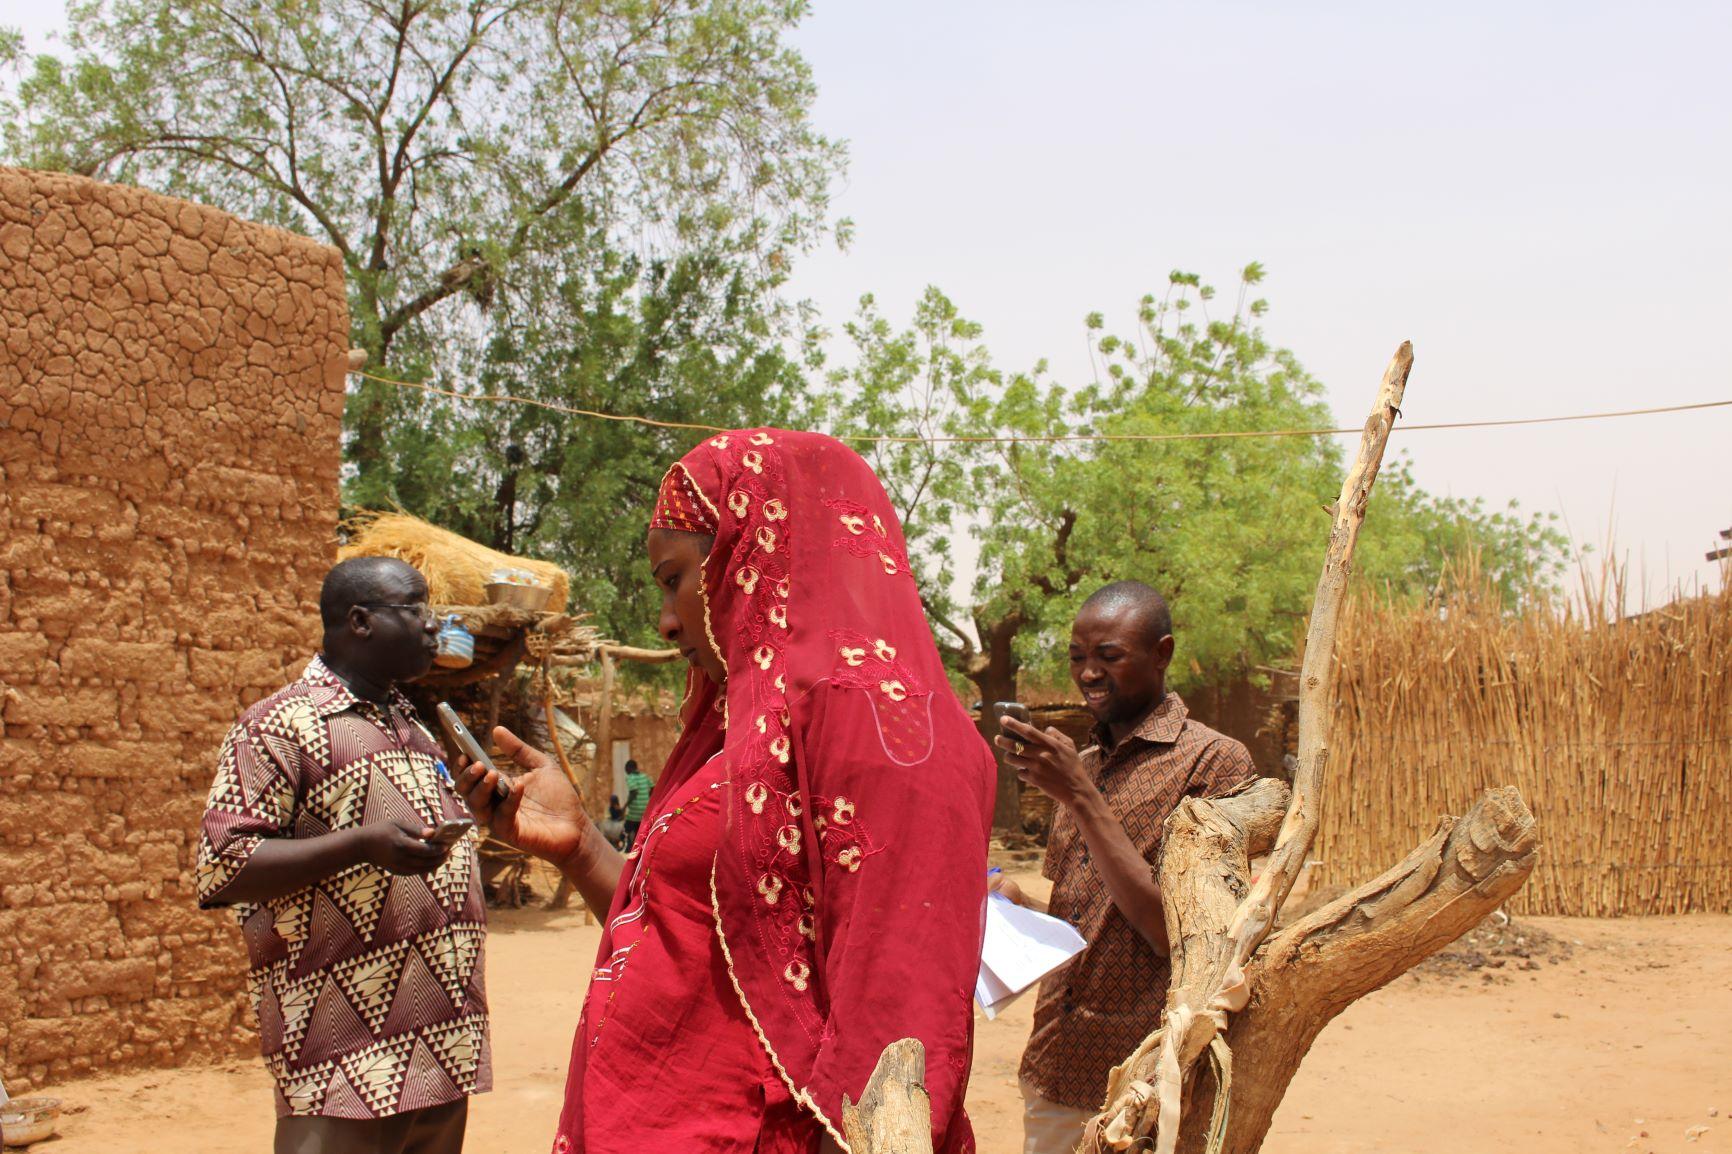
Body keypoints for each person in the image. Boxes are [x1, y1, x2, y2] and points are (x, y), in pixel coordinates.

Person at [455, 429, 996, 1153]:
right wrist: (582, 847)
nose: (666, 620)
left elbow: (898, 1023)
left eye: (674, 578)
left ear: (752, 562)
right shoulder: (730, 728)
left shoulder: (873, 722)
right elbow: (693, 934)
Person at [195, 557, 490, 1154]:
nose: (434, 626)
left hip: (441, 1048)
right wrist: (360, 845)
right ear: (360, 620)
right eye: (416, 609)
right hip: (343, 1060)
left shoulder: (411, 725)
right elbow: (222, 865)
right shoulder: (279, 726)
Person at [994, 580, 1255, 1154]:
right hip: (1054, 1069)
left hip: (1145, 1085)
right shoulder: (1082, 765)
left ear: (1161, 654)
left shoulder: (1215, 763)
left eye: (1109, 656)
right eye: (1077, 657)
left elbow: (1173, 933)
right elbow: (1088, 923)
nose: (1089, 673)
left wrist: (1083, 797)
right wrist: (1022, 909)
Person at [620, 759, 653, 848]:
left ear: (629, 768)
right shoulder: (645, 776)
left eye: (626, 770)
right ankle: (635, 849)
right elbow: (652, 788)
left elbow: (634, 792)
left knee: (624, 832)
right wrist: (648, 800)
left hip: (634, 812)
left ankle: (624, 847)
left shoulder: (630, 777)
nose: (626, 772)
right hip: (644, 811)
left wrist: (624, 806)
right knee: (638, 833)